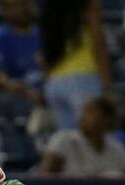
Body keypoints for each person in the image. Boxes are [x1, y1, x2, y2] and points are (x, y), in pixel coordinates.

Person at [40, 0, 111, 131]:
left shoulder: (49, 6)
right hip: (84, 78)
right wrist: (107, 83)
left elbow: (46, 50)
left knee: (69, 143)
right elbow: (98, 41)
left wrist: (47, 81)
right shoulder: (88, 3)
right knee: (91, 138)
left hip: (55, 82)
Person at [39, 95, 125, 176]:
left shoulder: (118, 149)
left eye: (90, 112)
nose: (83, 117)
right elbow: (45, 177)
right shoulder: (63, 139)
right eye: (83, 112)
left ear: (106, 119)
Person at [0, 0, 42, 99]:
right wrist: (13, 85)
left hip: (49, 90)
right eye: (18, 5)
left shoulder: (41, 34)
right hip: (21, 95)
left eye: (27, 4)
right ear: (6, 10)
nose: (24, 9)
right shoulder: (0, 38)